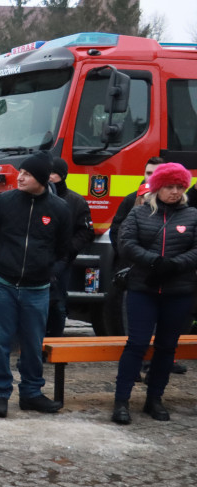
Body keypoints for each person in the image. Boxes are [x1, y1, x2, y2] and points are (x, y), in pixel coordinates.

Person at [0, 153, 71, 418]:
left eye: (27, 174)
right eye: (20, 172)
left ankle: (31, 393)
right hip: (3, 285)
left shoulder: (59, 209)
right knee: (0, 342)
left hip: (37, 289)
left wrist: (50, 272)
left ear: (42, 179)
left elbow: (63, 250)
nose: (20, 177)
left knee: (33, 344)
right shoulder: (4, 202)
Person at [112, 163, 197, 424]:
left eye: (179, 187)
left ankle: (154, 399)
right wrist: (154, 261)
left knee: (166, 347)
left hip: (178, 290)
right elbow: (126, 244)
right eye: (169, 186)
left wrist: (174, 265)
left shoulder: (192, 215)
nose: (174, 192)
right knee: (136, 344)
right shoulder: (138, 214)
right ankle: (121, 401)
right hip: (143, 288)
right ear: (157, 188)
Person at [46, 158, 95, 336]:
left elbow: (86, 232)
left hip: (62, 263)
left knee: (57, 304)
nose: (49, 177)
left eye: (53, 173)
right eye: (47, 173)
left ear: (63, 175)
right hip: (37, 260)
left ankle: (54, 342)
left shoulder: (76, 201)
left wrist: (67, 250)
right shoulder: (36, 198)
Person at [110, 157, 162, 260]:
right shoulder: (131, 199)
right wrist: (127, 256)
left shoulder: (171, 200)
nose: (151, 177)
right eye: (149, 173)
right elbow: (116, 231)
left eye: (156, 174)